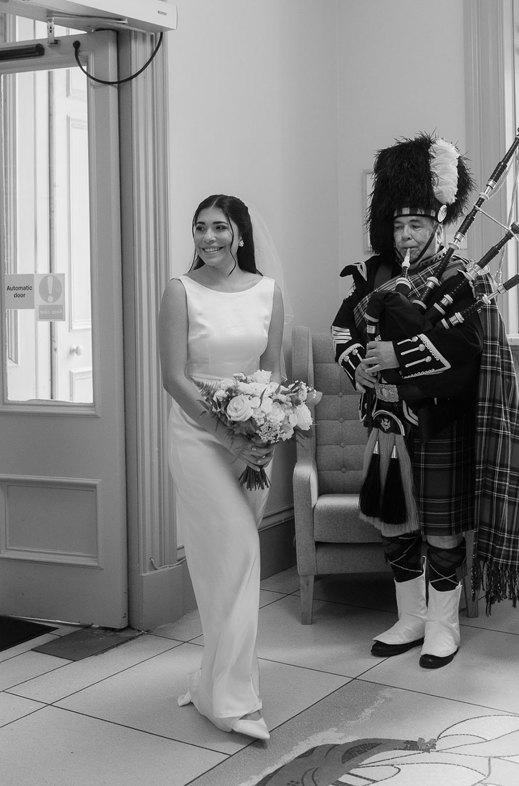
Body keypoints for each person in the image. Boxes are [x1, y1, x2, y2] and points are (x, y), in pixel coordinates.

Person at [331, 133, 519, 670]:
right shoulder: (374, 276)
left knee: (440, 526)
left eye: (415, 223)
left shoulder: (460, 275)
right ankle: (410, 617)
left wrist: (399, 358)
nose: (405, 234)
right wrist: (365, 372)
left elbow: (465, 350)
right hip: (388, 422)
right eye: (397, 224)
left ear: (439, 223)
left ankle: (444, 625)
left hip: (439, 419)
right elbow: (343, 332)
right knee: (397, 523)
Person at [159, 193, 285, 739]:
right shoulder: (179, 291)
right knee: (238, 550)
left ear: (239, 232)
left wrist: (265, 430)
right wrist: (225, 436)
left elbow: (275, 369)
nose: (208, 237)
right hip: (197, 435)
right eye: (200, 228)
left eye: (219, 227)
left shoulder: (268, 292)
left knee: (225, 565)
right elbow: (174, 377)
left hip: (254, 437)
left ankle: (215, 677)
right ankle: (232, 701)